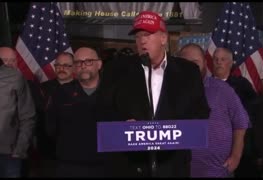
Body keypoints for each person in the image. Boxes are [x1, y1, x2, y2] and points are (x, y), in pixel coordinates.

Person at [104, 11, 210, 177]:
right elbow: (103, 110)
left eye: (147, 34)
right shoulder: (116, 70)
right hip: (130, 166)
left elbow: (201, 112)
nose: (142, 41)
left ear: (163, 38)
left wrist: (175, 129)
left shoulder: (188, 72)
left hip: (173, 165)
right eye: (138, 36)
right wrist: (122, 125)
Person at [178, 43, 250, 177]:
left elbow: (241, 123)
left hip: (218, 172)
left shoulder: (223, 89)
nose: (190, 67)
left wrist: (236, 156)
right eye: (185, 63)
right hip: (182, 171)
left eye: (195, 62)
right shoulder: (170, 93)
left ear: (205, 63)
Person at [45, 47, 119, 177]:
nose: (83, 66)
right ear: (74, 67)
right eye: (78, 62)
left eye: (88, 61)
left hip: (107, 165)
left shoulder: (115, 91)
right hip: (69, 165)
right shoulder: (61, 93)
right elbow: (51, 129)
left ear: (99, 64)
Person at [211, 47, 258, 177]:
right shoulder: (204, 85)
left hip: (238, 143)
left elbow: (252, 112)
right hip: (212, 145)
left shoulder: (242, 85)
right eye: (216, 59)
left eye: (223, 59)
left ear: (231, 63)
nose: (219, 62)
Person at [0, 50, 36, 177]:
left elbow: (27, 116)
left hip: (9, 154)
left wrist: (19, 150)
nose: (9, 63)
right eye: (5, 60)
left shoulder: (16, 78)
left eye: (12, 60)